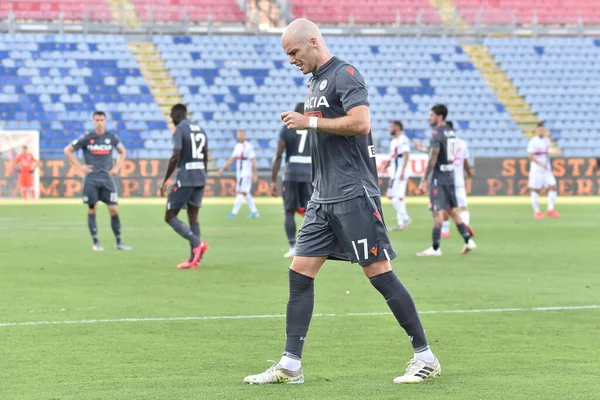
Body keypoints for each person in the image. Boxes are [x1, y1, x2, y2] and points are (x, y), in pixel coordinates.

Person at [244, 18, 440, 386]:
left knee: (378, 273)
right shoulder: (314, 81)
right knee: (300, 272)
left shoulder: (345, 74)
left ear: (313, 42)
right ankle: (290, 365)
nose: (291, 60)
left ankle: (425, 357)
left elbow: (361, 123)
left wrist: (310, 123)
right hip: (323, 197)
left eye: (294, 52)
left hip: (353, 193)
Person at [64, 111, 131, 252]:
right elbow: (67, 150)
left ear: (105, 121)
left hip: (107, 179)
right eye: (97, 120)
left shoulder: (111, 138)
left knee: (113, 209)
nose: (99, 122)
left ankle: (119, 242)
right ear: (93, 121)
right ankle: (96, 242)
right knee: (92, 209)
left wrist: (116, 168)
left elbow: (123, 152)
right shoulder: (87, 138)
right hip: (92, 179)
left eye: (102, 120)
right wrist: (80, 167)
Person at [416, 105, 476, 257]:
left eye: (431, 115)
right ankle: (468, 240)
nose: (429, 118)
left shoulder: (437, 133)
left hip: (439, 177)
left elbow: (433, 157)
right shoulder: (450, 132)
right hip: (450, 175)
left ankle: (435, 248)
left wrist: (424, 180)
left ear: (440, 116)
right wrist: (424, 150)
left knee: (437, 212)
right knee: (451, 210)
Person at [160, 103, 210, 269]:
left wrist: (166, 179)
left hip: (186, 177)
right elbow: (205, 155)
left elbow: (175, 155)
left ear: (176, 115)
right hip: (200, 177)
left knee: (170, 215)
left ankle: (197, 243)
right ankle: (193, 259)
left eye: (171, 117)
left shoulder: (180, 129)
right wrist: (203, 175)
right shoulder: (200, 129)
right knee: (193, 216)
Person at [271, 102, 313, 258]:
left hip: (290, 173)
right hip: (309, 173)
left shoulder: (287, 128)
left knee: (289, 211)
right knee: (312, 211)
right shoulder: (312, 128)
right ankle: (311, 245)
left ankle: (293, 247)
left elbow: (278, 155)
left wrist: (273, 180)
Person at [441, 121, 473, 238]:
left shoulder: (442, 143)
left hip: (446, 179)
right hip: (459, 181)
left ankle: (445, 230)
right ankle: (465, 225)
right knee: (463, 206)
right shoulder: (462, 143)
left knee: (445, 206)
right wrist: (469, 172)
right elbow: (465, 161)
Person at [217, 129, 259, 219]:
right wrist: (222, 169)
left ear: (244, 135)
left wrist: (255, 174)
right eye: (238, 134)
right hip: (239, 173)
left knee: (240, 192)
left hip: (246, 173)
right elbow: (231, 159)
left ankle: (234, 213)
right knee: (245, 193)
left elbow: (253, 161)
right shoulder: (238, 146)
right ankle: (255, 212)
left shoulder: (249, 146)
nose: (239, 136)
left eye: (241, 134)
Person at [379, 120, 411, 231]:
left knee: (391, 196)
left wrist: (402, 171)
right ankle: (401, 223)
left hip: (399, 173)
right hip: (395, 172)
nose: (389, 129)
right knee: (399, 198)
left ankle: (406, 218)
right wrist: (387, 165)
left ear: (397, 128)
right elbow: (393, 157)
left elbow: (406, 155)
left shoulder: (403, 140)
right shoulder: (394, 142)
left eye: (391, 127)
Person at [528, 122, 559, 219]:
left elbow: (546, 155)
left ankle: (550, 209)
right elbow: (531, 157)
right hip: (537, 170)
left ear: (544, 131)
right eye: (539, 130)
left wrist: (547, 165)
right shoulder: (533, 142)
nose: (541, 131)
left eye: (542, 129)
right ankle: (537, 211)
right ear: (537, 131)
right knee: (536, 190)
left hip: (546, 169)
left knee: (553, 186)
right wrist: (541, 164)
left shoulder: (547, 141)